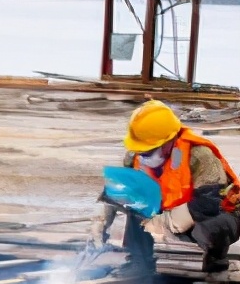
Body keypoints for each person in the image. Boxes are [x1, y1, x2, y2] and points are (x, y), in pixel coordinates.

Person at [88, 100, 240, 274]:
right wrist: (101, 221)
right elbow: (119, 192)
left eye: (149, 150)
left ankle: (214, 260)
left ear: (170, 141)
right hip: (169, 212)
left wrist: (165, 223)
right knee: (135, 210)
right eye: (141, 151)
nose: (144, 156)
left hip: (216, 215)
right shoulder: (135, 156)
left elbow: (208, 204)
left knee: (207, 228)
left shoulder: (199, 156)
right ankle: (139, 262)